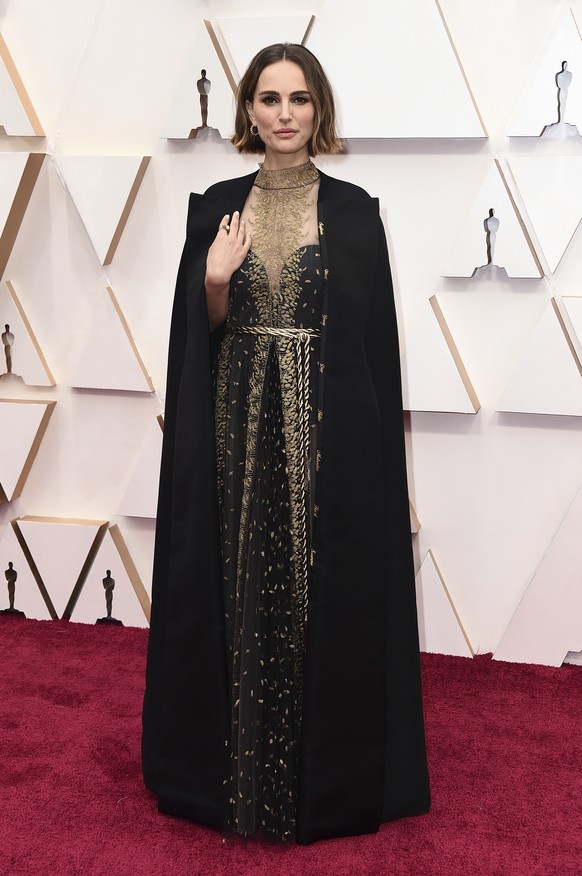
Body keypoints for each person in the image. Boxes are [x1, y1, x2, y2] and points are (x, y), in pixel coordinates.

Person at [142, 42, 430, 845]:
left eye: (298, 100)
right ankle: (226, 765)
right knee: (236, 584)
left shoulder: (355, 213)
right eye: (269, 100)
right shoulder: (214, 209)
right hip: (235, 436)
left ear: (319, 109)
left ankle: (320, 777)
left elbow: (374, 353)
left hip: (323, 438)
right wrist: (213, 282)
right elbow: (192, 345)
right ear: (248, 112)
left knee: (314, 587)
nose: (284, 116)